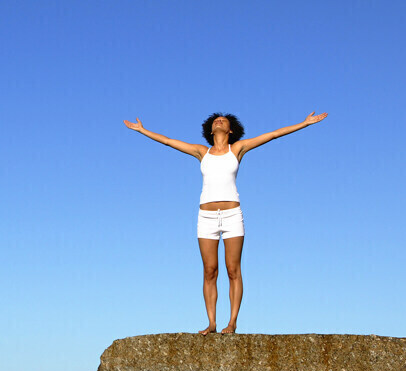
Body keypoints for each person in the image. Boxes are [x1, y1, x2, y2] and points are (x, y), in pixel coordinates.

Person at [123, 111, 328, 334]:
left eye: (224, 120)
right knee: (210, 271)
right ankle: (211, 323)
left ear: (230, 130)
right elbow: (168, 141)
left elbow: (273, 134)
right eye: (215, 121)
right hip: (206, 217)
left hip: (232, 215)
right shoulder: (202, 152)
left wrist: (305, 123)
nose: (218, 121)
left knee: (233, 270)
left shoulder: (237, 149)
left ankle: (232, 323)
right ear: (211, 131)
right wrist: (142, 130)